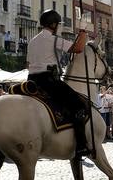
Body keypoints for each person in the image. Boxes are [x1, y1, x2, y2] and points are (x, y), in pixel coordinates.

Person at [27, 9, 89, 157]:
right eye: (58, 24)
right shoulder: (54, 39)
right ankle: (81, 145)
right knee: (79, 106)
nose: (59, 27)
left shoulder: (32, 41)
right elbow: (78, 48)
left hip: (31, 80)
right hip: (48, 80)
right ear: (53, 24)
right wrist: (83, 31)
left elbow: (28, 62)